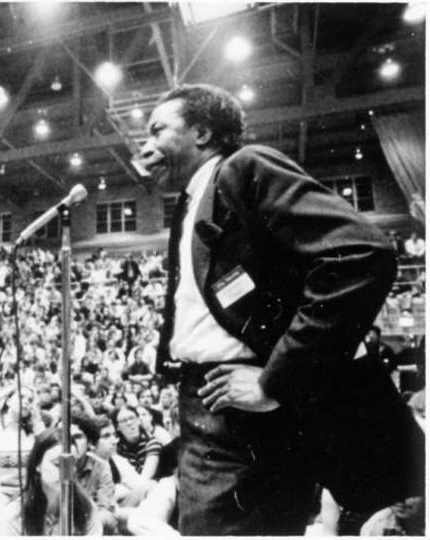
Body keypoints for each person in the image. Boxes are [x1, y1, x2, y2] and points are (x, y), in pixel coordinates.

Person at [139, 83, 421, 534]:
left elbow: (361, 254)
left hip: (241, 408)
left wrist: (278, 379)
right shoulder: (194, 199)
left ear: (202, 133)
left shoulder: (242, 168)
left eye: (157, 129)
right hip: (215, 403)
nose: (145, 144)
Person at [1, 427, 102, 536]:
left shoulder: (86, 509)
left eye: (72, 464)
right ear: (37, 464)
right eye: (57, 464)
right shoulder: (15, 515)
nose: (66, 473)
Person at [69, 412, 117, 534]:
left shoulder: (100, 467)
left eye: (77, 437)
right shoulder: (51, 466)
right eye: (65, 437)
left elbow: (107, 513)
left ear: (90, 442)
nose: (70, 443)